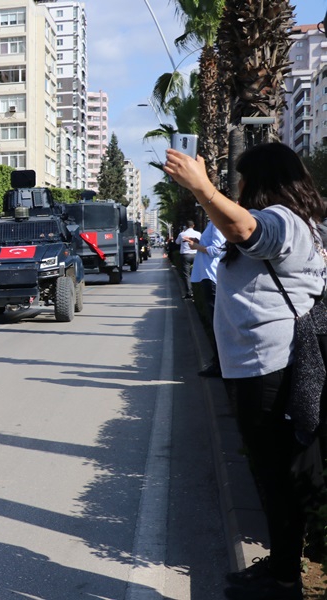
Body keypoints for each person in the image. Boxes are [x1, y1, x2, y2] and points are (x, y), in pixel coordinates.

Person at [165, 142, 326, 600]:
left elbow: (245, 228)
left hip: (269, 369)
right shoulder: (306, 224)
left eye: (241, 179)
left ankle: (283, 579)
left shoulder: (283, 221)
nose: (237, 187)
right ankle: (281, 569)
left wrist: (203, 189)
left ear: (261, 181)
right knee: (278, 475)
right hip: (265, 367)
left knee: (279, 476)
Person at [189, 220, 226, 378]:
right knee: (215, 322)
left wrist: (196, 247)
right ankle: (218, 361)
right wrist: (199, 243)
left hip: (212, 276)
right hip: (209, 275)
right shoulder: (213, 222)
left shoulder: (217, 223)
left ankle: (219, 364)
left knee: (216, 323)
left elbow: (216, 249)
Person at [176, 221, 200, 299]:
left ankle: (189, 292)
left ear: (186, 226)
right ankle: (199, 292)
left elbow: (177, 242)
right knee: (198, 272)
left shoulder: (182, 234)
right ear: (193, 225)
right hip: (196, 254)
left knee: (186, 274)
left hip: (185, 255)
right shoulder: (198, 234)